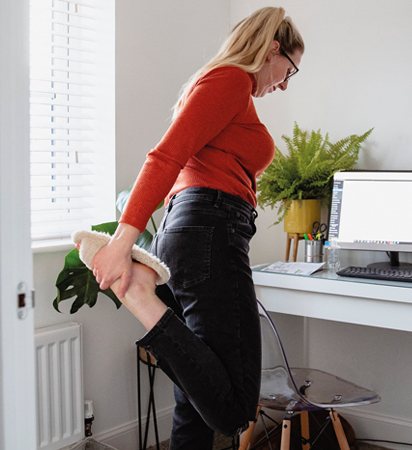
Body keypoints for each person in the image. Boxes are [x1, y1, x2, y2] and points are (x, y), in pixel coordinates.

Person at [87, 7, 304, 449]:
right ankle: (139, 296)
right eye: (290, 70)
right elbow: (165, 156)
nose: (284, 84)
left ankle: (145, 295)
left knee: (195, 400)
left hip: (196, 232)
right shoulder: (230, 80)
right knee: (234, 407)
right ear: (272, 49)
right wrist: (122, 241)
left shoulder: (228, 88)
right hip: (211, 231)